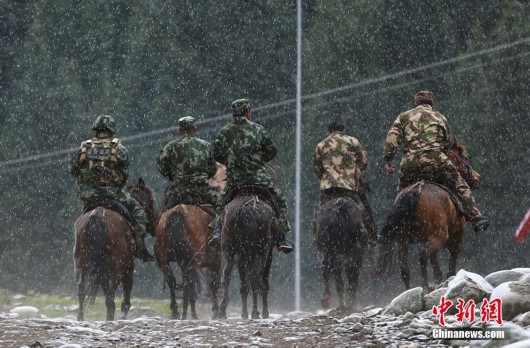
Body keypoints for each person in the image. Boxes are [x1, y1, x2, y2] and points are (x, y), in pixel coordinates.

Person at [383, 91, 490, 232]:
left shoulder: (403, 117)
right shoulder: (440, 118)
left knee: (401, 192)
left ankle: (396, 224)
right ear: (431, 103)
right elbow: (450, 144)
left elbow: (391, 141)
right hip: (437, 161)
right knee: (460, 183)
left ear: (416, 103)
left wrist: (389, 160)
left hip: (410, 163)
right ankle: (476, 217)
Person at [208, 99, 294, 253]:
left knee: (221, 202)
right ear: (247, 112)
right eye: (250, 111)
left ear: (234, 113)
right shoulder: (259, 129)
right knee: (280, 201)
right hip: (259, 179)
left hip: (235, 180)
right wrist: (259, 159)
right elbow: (272, 151)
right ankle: (281, 238)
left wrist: (230, 161)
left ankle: (217, 231)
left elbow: (215, 154)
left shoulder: (225, 131)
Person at [69, 114, 154, 262]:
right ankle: (140, 247)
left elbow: (73, 170)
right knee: (139, 213)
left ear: (96, 129)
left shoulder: (84, 148)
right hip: (112, 195)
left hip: (89, 196)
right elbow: (124, 173)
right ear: (111, 130)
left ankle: (78, 252)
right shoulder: (118, 148)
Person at [313, 120, 378, 246]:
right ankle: (372, 235)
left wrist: (326, 176)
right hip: (350, 187)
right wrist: (353, 170)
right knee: (365, 209)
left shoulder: (321, 145)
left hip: (329, 189)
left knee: (319, 212)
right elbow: (364, 161)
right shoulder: (353, 141)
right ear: (343, 130)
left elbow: (317, 168)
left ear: (329, 131)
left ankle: (317, 238)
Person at [156, 116, 219, 212]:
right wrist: (202, 176)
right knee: (222, 208)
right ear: (195, 129)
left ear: (180, 131)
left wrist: (173, 176)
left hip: (178, 190)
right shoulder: (206, 145)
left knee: (162, 215)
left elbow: (160, 166)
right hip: (202, 189)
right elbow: (213, 168)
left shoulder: (170, 146)